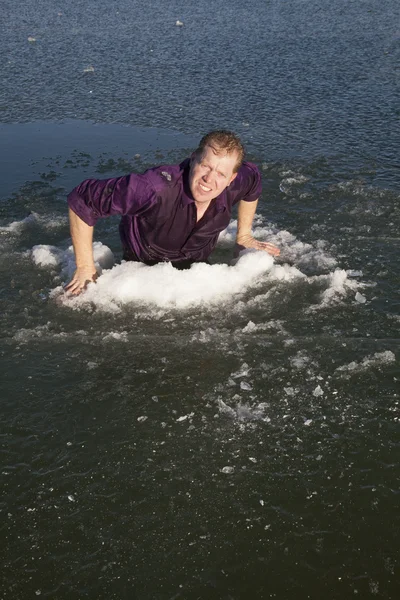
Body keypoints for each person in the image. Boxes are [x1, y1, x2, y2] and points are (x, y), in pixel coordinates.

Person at [65, 130, 280, 295]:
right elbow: (83, 199)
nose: (209, 179)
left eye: (221, 174)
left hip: (196, 270)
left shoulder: (235, 182)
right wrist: (85, 266)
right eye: (206, 166)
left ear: (231, 179)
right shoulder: (153, 188)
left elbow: (254, 180)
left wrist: (244, 236)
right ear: (194, 158)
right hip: (141, 270)